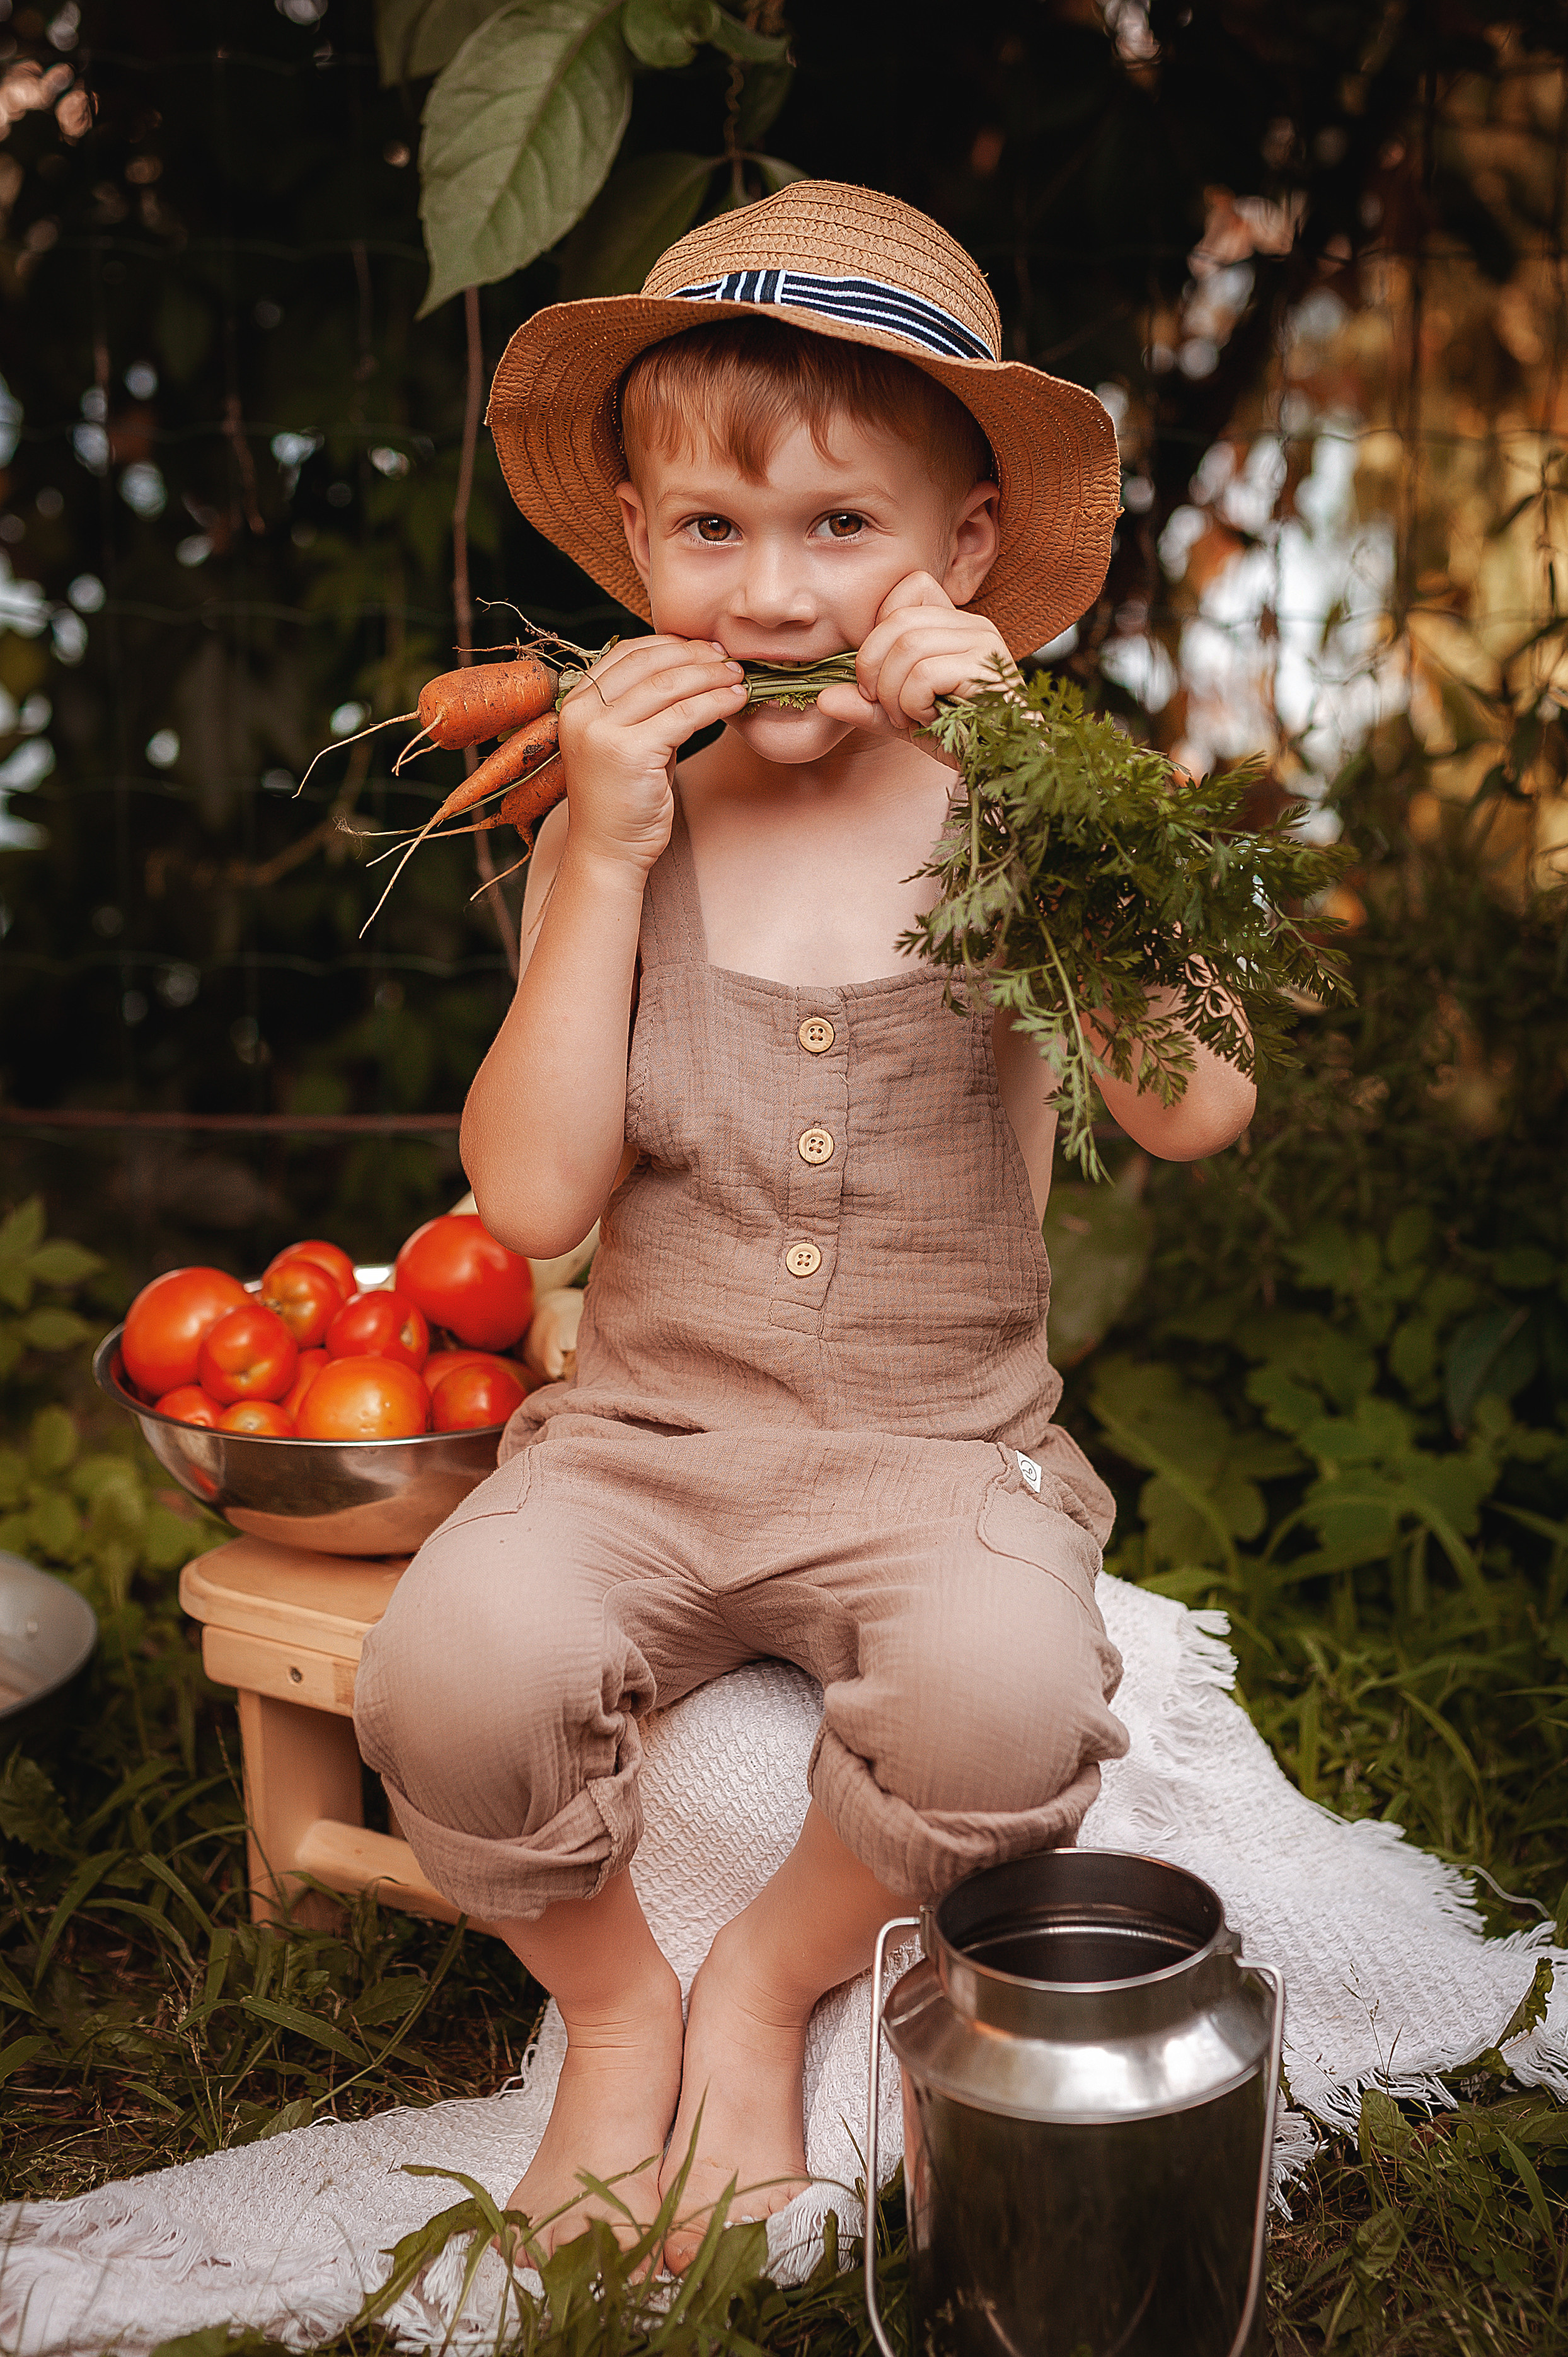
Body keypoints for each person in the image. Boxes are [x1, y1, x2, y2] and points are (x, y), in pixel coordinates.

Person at [353, 180, 1255, 2273]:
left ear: (960, 558)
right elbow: (535, 1196)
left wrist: (1027, 779)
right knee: (451, 1673)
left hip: (938, 1453)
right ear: (638, 549)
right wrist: (598, 856)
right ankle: (613, 2001)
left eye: (840, 529)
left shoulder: (1028, 797)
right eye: (712, 532)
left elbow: (1194, 1104)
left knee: (1006, 1701)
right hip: (647, 1442)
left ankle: (764, 1977)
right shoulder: (619, 815)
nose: (770, 592)